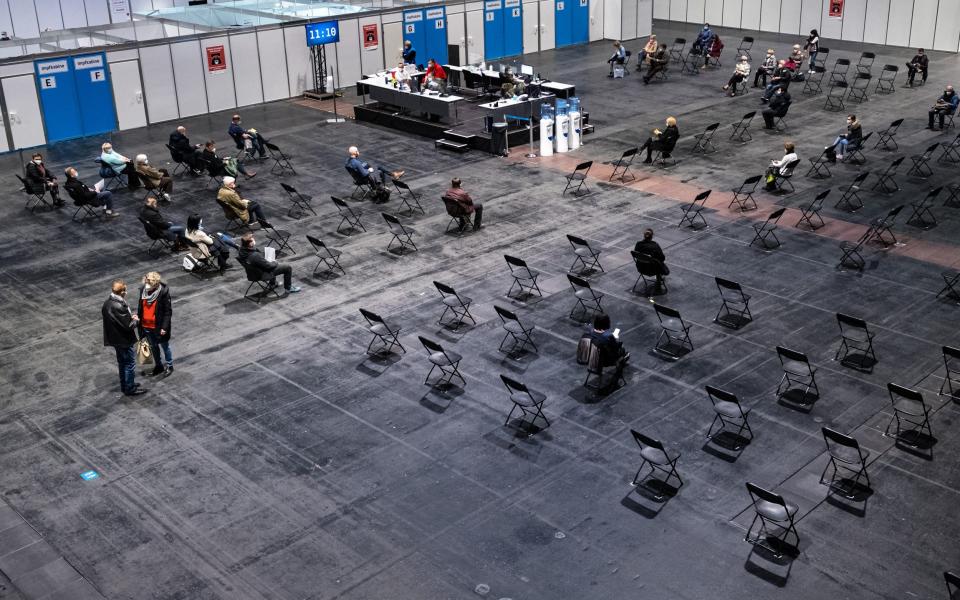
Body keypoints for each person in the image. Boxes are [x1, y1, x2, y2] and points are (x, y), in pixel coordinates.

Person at [102, 279, 146, 396]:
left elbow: (118, 321)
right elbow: (128, 325)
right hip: (123, 340)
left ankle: (126, 384)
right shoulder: (118, 306)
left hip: (116, 339)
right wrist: (135, 320)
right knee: (129, 364)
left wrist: (129, 317)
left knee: (122, 363)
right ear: (122, 292)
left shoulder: (107, 303)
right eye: (125, 290)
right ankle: (129, 388)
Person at [137, 272, 173, 378]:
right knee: (153, 347)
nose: (147, 285)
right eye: (146, 282)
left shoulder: (163, 293)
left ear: (155, 283)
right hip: (146, 325)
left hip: (158, 326)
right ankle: (158, 366)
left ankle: (170, 365)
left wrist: (164, 327)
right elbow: (141, 306)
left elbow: (167, 312)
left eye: (149, 283)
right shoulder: (143, 290)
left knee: (165, 346)